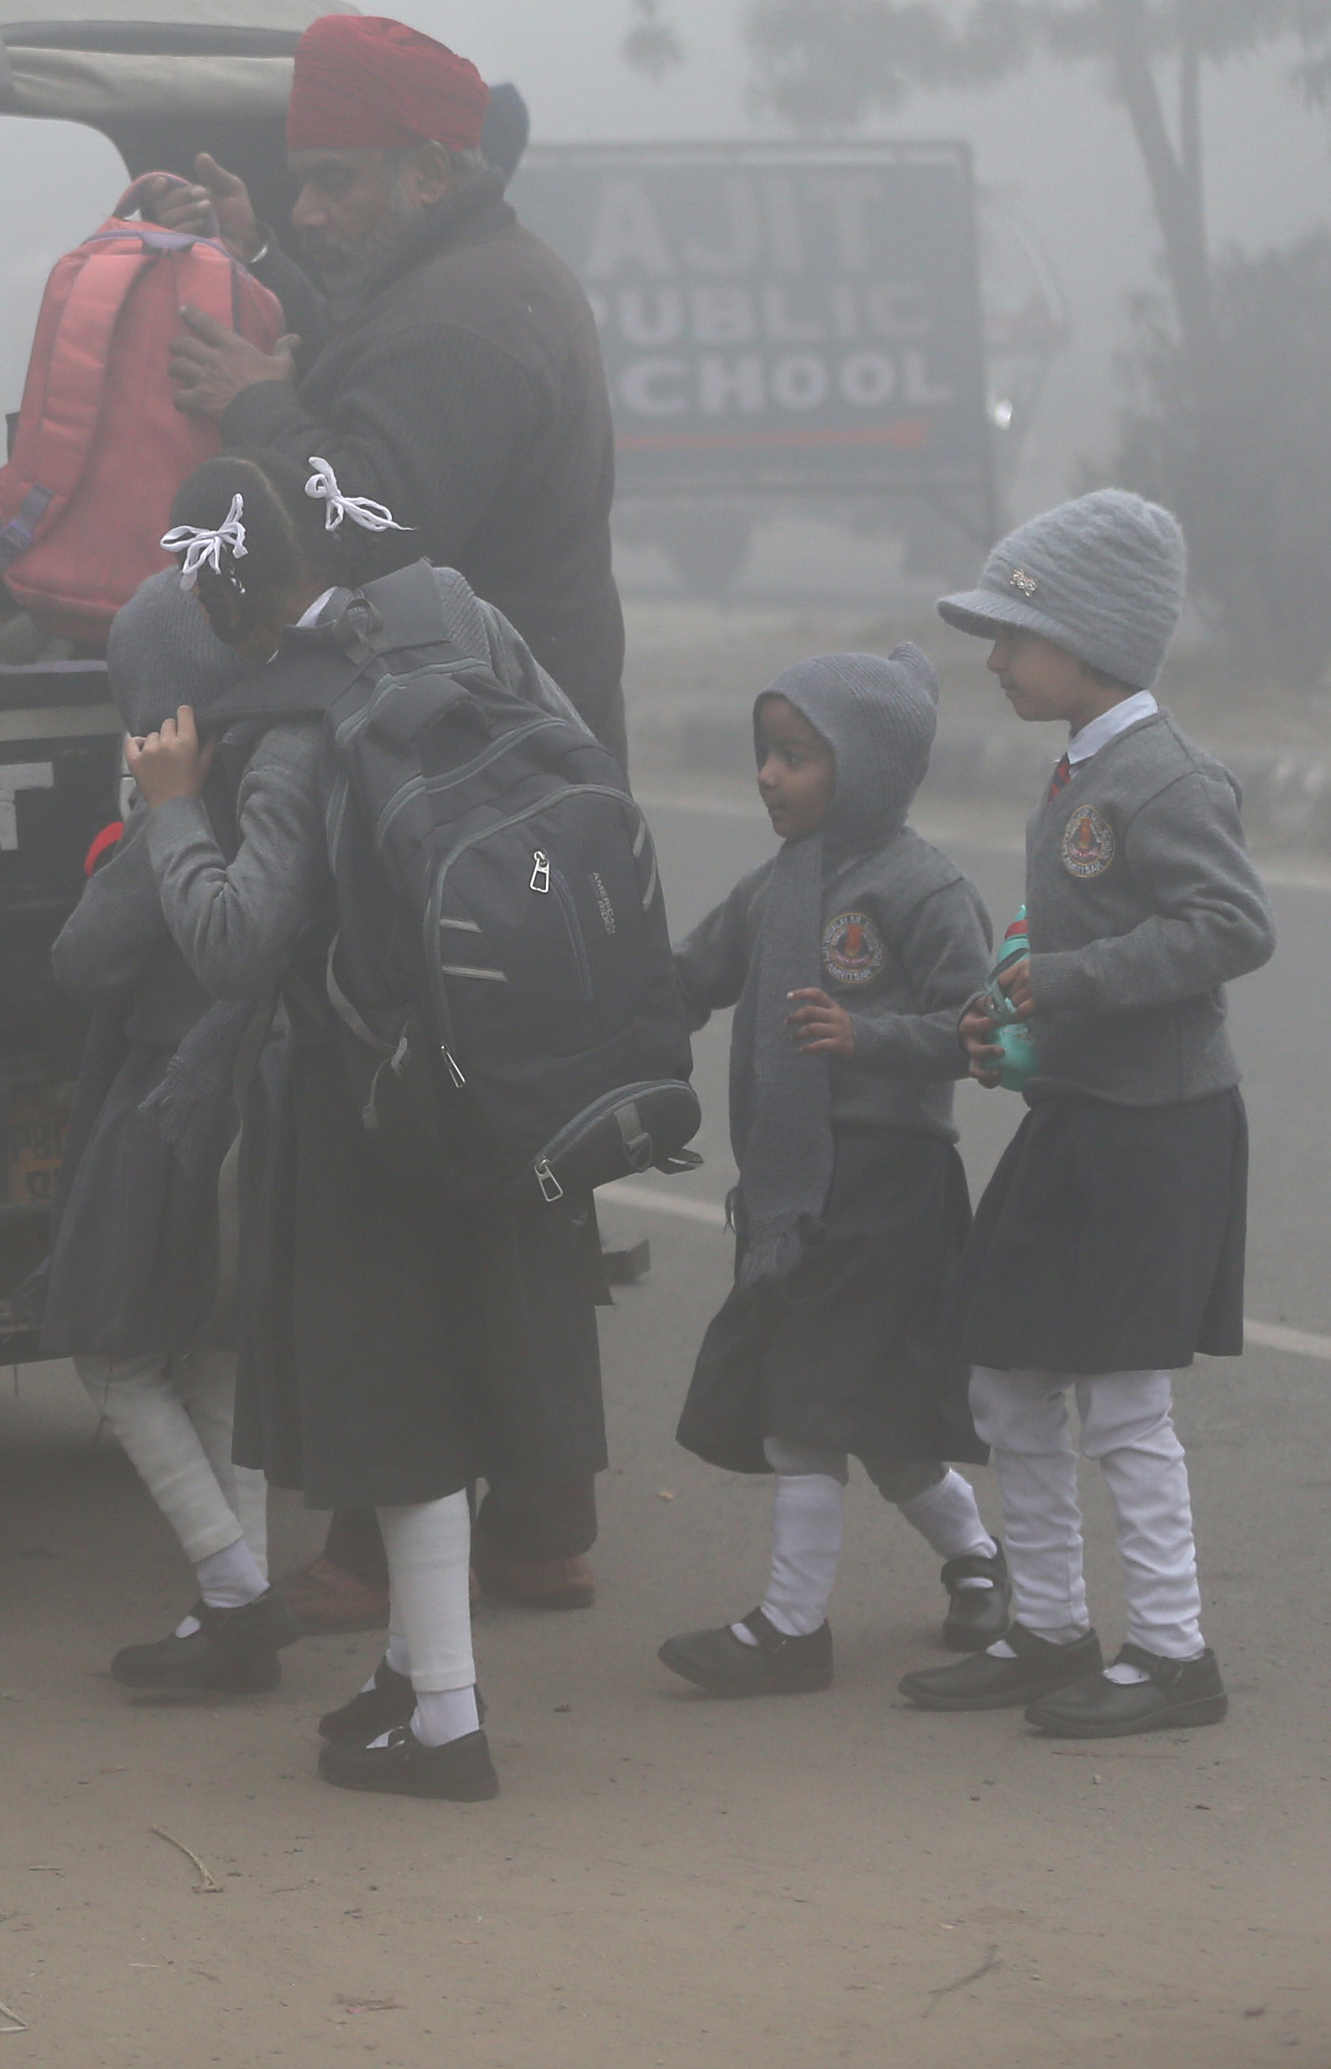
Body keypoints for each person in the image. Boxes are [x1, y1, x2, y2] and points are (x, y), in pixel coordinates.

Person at [149, 15, 621, 1624]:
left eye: (340, 184)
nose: (324, 212)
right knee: (516, 1157)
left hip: (448, 814)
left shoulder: (466, 326)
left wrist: (264, 407)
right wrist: (262, 256)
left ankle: (366, 1551)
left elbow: (363, 526)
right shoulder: (473, 280)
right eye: (305, 189)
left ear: (439, 165)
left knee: (383, 1165)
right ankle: (540, 1522)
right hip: (511, 801)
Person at [137, 449, 608, 1802]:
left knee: (398, 1407)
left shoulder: (297, 727)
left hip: (371, 1099)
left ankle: (450, 1722)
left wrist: (174, 818)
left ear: (230, 609)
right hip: (512, 1073)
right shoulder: (464, 620)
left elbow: (236, 943)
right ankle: (410, 1674)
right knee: (461, 1379)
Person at [910, 492, 1271, 1737]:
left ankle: (1175, 1654)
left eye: (1015, 635)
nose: (997, 660)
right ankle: (1050, 1627)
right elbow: (1081, 939)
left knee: (1122, 1401)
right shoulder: (1089, 768)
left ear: (1094, 638)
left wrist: (1064, 985)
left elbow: (1232, 928)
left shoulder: (1164, 777)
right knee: (1009, 1383)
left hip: (1155, 1132)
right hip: (1083, 1114)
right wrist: (1012, 1030)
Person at [657, 644, 1005, 1695]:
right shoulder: (777, 887)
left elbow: (977, 1032)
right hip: (792, 1193)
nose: (768, 775)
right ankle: (980, 1560)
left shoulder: (923, 888)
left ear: (868, 770)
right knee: (878, 1428)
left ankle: (791, 1632)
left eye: (796, 756)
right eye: (766, 753)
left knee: (805, 1409)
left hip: (887, 1187)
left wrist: (869, 1037)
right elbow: (688, 979)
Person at [40, 570, 287, 1694]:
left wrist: (133, 830)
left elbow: (82, 960)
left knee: (112, 1346)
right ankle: (246, 1592)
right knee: (222, 1348)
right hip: (266, 1102)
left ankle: (234, 1593)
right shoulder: (288, 784)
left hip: (167, 1104)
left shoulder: (181, 817)